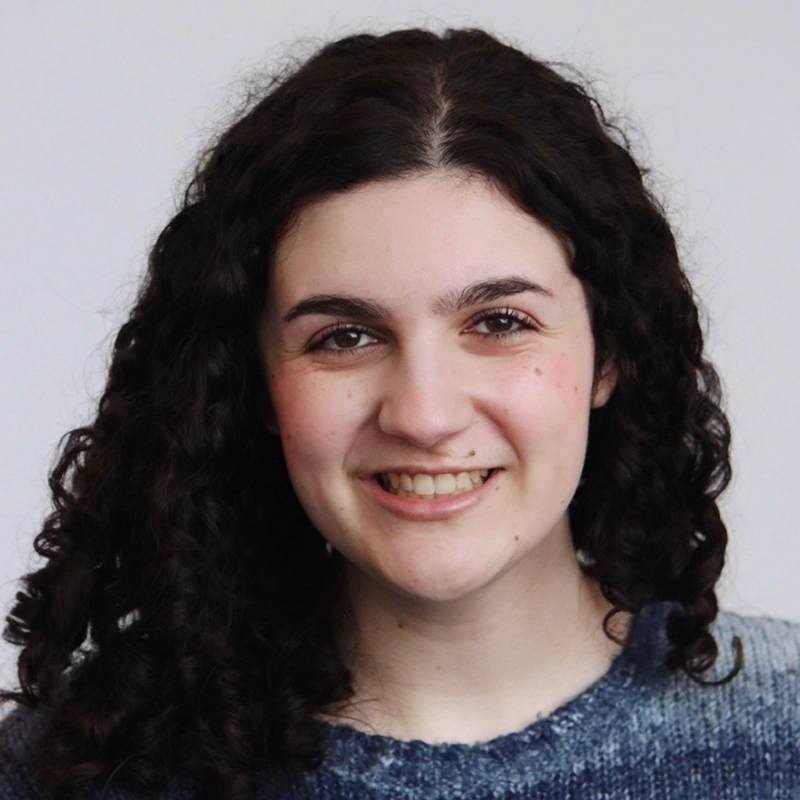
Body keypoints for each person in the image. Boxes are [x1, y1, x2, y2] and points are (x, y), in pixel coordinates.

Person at [0, 26, 798, 800]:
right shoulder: (62, 775)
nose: (422, 414)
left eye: (499, 323)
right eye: (344, 336)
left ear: (610, 355)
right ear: (252, 383)